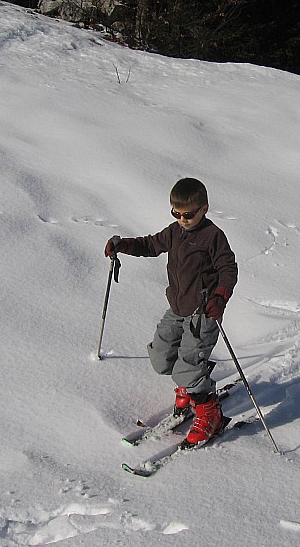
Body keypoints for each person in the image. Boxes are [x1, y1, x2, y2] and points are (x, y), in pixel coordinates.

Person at [105, 178, 238, 446]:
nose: (182, 219)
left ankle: (209, 413)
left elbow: (228, 268)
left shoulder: (213, 236)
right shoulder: (175, 232)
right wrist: (124, 245)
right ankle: (189, 383)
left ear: (204, 209)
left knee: (188, 366)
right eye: (176, 213)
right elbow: (151, 245)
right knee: (161, 357)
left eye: (188, 215)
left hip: (203, 312)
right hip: (177, 308)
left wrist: (220, 297)